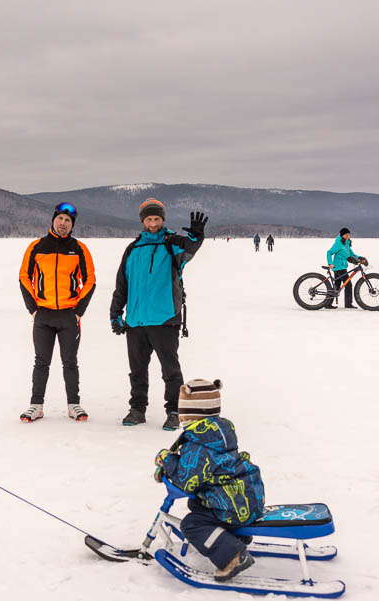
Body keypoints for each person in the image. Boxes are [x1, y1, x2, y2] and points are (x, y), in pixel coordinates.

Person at [154, 378, 265, 582]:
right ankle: (235, 537)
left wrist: (167, 461)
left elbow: (185, 481)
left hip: (231, 506)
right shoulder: (215, 434)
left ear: (188, 414)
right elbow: (201, 467)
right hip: (244, 498)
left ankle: (232, 555)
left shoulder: (198, 446)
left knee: (192, 524)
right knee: (197, 504)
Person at [109, 198, 206, 430]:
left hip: (164, 319)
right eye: (149, 219)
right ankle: (137, 409)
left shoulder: (172, 243)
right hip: (135, 320)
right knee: (137, 370)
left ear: (163, 220)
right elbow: (122, 284)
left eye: (157, 218)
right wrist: (115, 313)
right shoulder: (132, 249)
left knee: (170, 370)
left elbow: (190, 247)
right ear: (143, 221)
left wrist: (197, 236)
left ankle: (174, 411)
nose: (153, 223)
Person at [18, 202, 96, 421]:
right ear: (53, 220)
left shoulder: (79, 249)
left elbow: (89, 280)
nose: (63, 223)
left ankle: (74, 405)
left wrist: (78, 310)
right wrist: (33, 308)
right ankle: (36, 405)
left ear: (72, 225)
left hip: (69, 316)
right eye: (60, 218)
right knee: (41, 362)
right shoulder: (37, 247)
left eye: (68, 221)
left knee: (69, 361)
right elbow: (25, 276)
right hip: (43, 315)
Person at [325, 228, 365, 309]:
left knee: (337, 285)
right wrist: (330, 263)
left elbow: (352, 254)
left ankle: (328, 304)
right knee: (348, 284)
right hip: (338, 267)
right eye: (346, 234)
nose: (348, 236)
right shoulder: (338, 243)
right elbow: (329, 252)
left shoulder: (346, 244)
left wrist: (360, 258)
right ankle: (348, 304)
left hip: (342, 266)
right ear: (342, 235)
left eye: (348, 234)